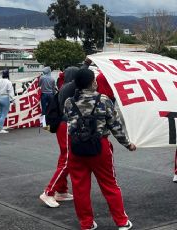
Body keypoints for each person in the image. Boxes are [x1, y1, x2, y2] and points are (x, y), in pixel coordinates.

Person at [65, 68, 136, 230]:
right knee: (110, 185)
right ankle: (121, 221)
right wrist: (127, 144)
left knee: (80, 187)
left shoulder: (69, 102)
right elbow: (115, 126)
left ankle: (86, 223)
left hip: (76, 147)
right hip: (100, 147)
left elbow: (69, 119)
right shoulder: (104, 100)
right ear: (92, 82)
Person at [40, 66, 79, 208]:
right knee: (67, 160)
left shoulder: (63, 86)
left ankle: (61, 190)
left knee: (65, 157)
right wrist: (86, 65)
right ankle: (49, 192)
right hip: (66, 125)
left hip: (62, 126)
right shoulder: (69, 87)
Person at [0, 69, 14, 134]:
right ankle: (1, 129)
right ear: (8, 74)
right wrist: (13, 100)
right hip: (5, 98)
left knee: (0, 114)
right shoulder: (8, 82)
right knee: (3, 115)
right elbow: (10, 92)